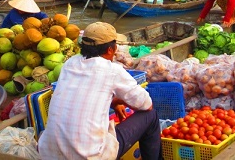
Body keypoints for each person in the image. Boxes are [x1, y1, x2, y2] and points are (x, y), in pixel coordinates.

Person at [39, 22, 160, 160]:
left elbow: (83, 94)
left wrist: (114, 102)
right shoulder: (112, 70)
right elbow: (146, 104)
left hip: (49, 154)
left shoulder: (69, 64)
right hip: (90, 156)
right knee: (151, 116)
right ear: (110, 49)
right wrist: (122, 100)